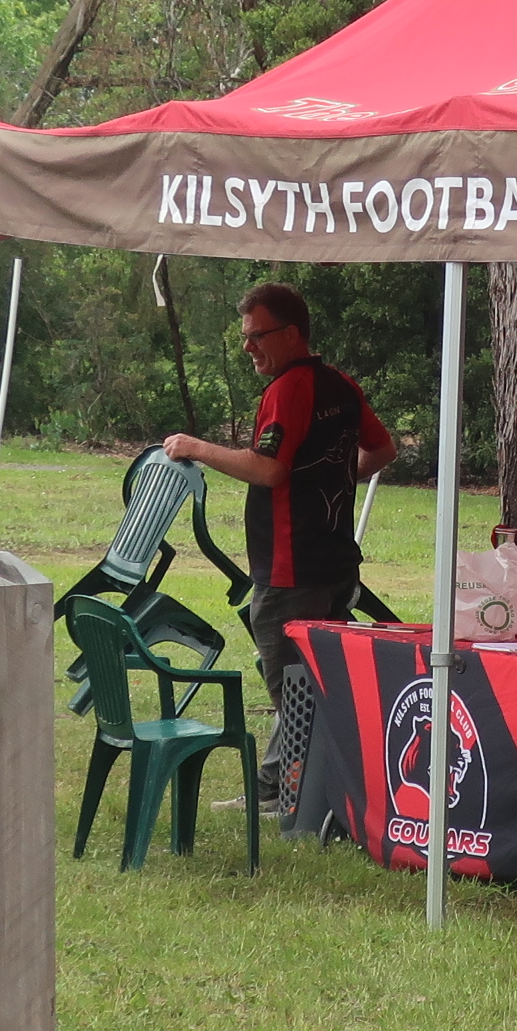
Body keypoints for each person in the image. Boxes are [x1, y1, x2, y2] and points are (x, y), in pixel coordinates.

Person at [162, 281, 394, 807]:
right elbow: (382, 450)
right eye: (245, 337)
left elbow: (268, 469)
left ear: (292, 334)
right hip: (335, 562)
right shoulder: (341, 385)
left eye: (257, 336)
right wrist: (334, 480)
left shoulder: (287, 390)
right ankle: (284, 787)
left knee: (294, 690)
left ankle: (290, 796)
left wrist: (196, 446)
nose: (248, 347)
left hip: (291, 571)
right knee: (313, 682)